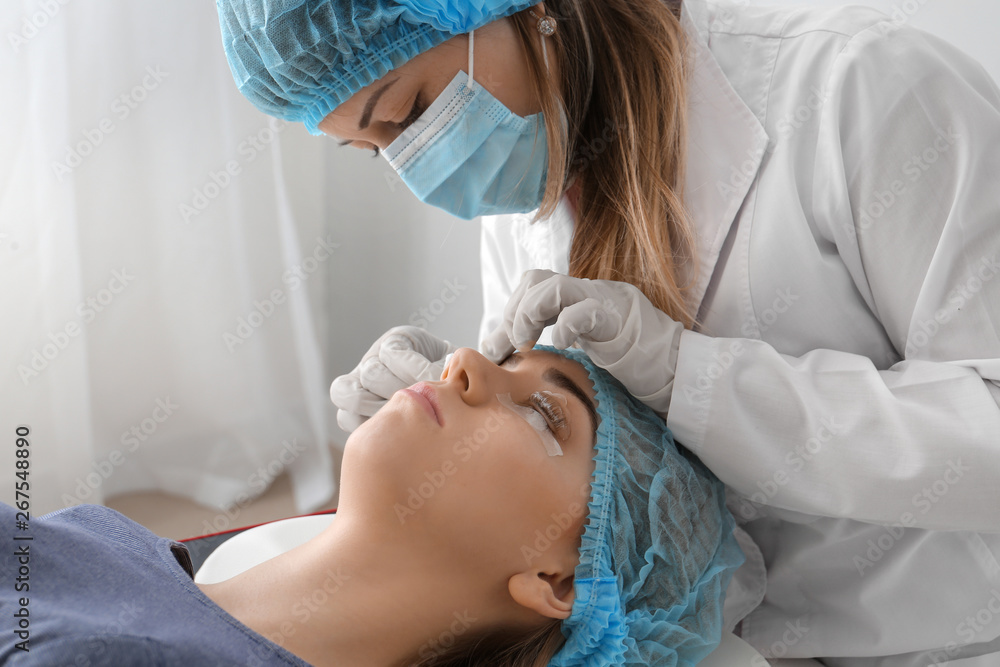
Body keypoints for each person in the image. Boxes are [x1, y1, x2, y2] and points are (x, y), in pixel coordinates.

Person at [217, 0, 1000, 662]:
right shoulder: (531, 165)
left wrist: (696, 380)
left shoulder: (859, 92)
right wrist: (442, 404)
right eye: (373, 149)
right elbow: (578, 467)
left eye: (408, 114)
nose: (417, 170)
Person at [0, 347, 743, 666]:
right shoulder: (117, 543)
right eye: (504, 356)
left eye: (547, 415)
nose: (467, 363)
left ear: (561, 581)